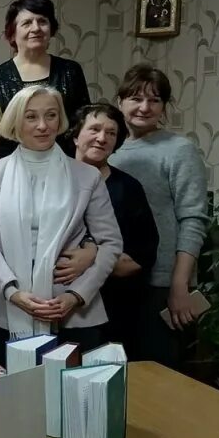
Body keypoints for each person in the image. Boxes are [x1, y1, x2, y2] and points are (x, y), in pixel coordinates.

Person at [0, 86, 122, 356]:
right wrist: (12, 292)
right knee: (11, 396)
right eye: (31, 117)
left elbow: (110, 243)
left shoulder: (87, 177)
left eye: (51, 115)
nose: (42, 125)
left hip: (73, 315)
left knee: (72, 397)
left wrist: (74, 296)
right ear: (16, 121)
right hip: (5, 311)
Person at [112, 66, 209, 368]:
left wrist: (179, 285)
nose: (144, 107)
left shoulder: (179, 150)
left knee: (161, 377)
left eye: (154, 101)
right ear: (120, 102)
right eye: (136, 98)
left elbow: (193, 219)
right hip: (116, 281)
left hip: (162, 284)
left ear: (164, 107)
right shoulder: (109, 149)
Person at [71, 102, 159, 354]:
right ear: (76, 135)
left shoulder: (129, 189)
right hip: (59, 308)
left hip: (116, 311)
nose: (102, 138)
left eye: (111, 133)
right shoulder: (55, 181)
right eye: (94, 129)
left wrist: (90, 256)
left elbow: (138, 259)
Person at [0, 0, 90, 158]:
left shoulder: (70, 70)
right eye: (27, 23)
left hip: (63, 162)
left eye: (42, 21)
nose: (36, 28)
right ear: (12, 33)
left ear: (51, 29)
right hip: (10, 164)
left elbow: (82, 123)